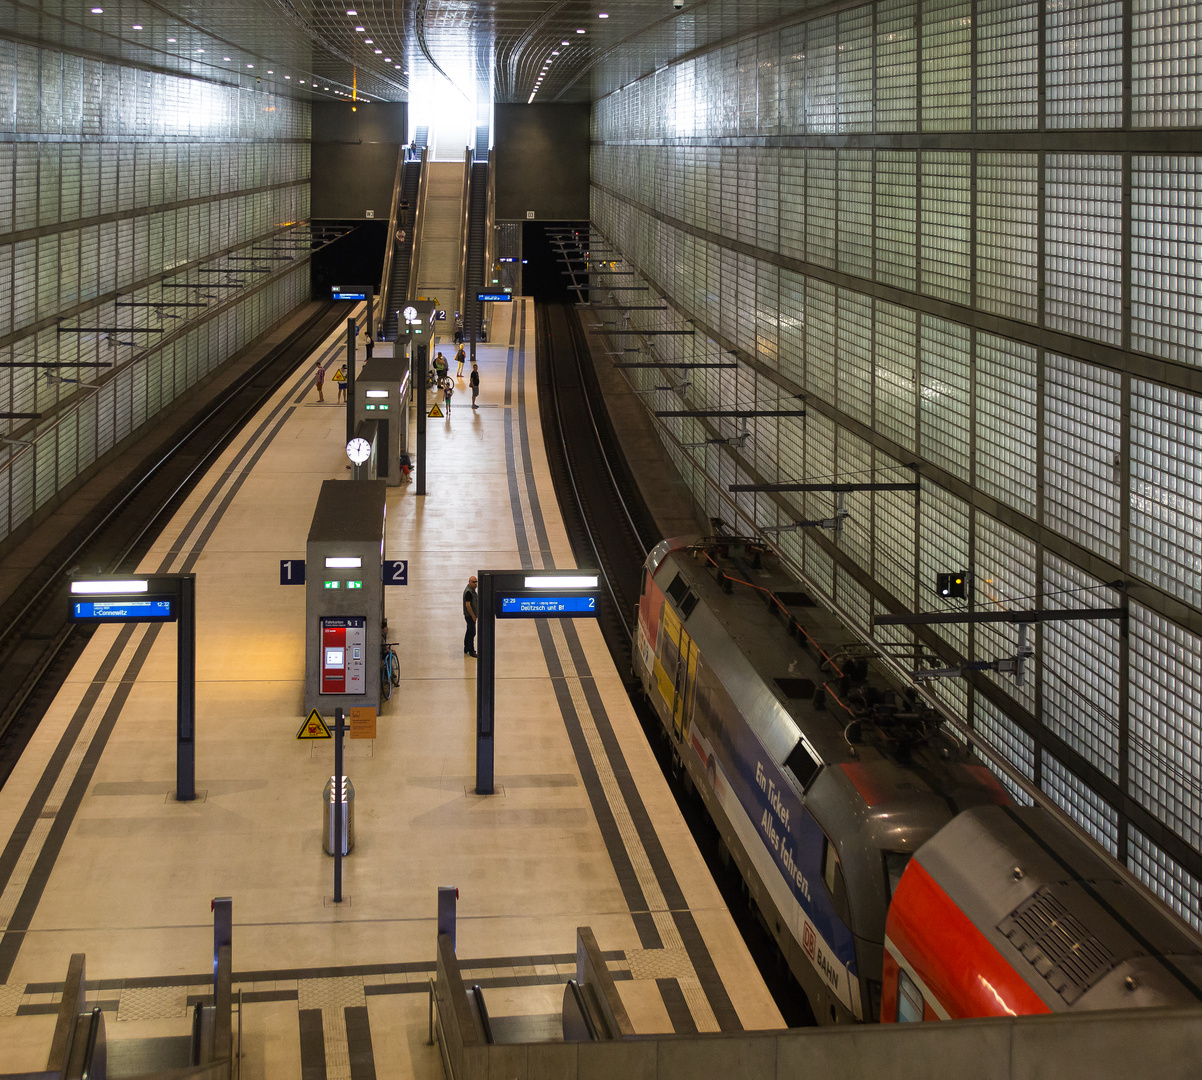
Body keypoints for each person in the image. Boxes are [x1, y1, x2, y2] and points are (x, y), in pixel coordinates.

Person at [463, 575, 478, 657]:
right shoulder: (468, 592)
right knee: (472, 632)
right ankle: (471, 650)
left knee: (469, 631)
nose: (475, 584)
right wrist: (473, 615)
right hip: (470, 616)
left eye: (476, 582)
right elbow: (468, 605)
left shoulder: (472, 591)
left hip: (470, 615)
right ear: (469, 582)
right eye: (473, 582)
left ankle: (467, 648)